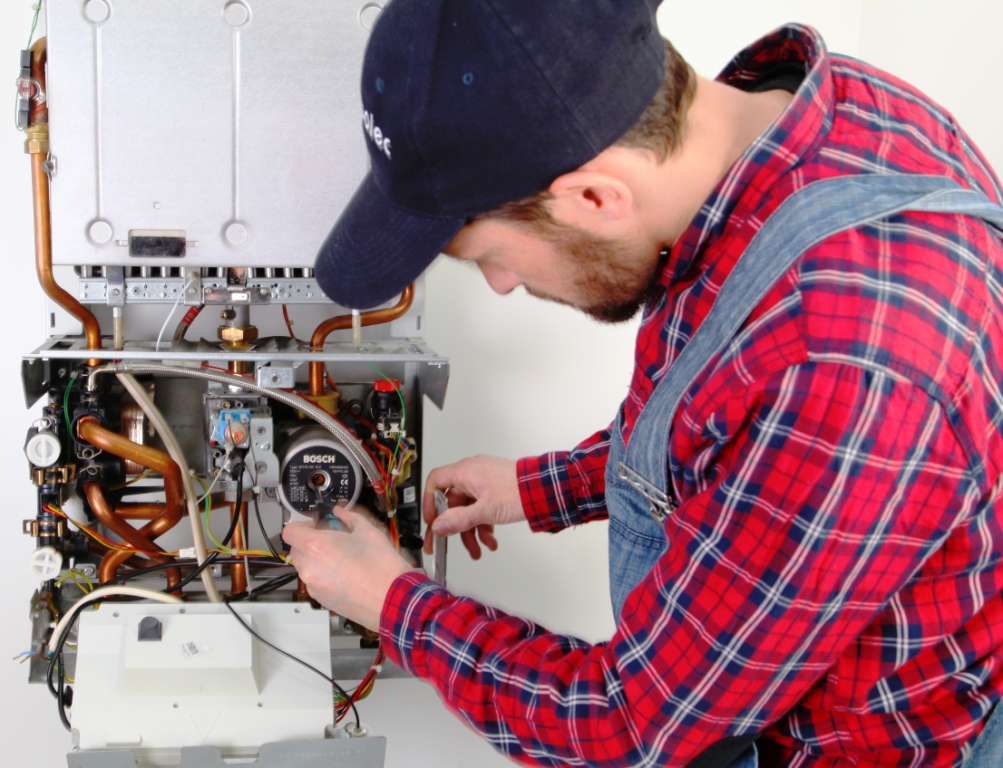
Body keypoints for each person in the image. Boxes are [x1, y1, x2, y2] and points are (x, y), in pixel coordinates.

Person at [282, 1, 1003, 765]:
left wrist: (395, 607)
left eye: (486, 253)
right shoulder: (810, 122)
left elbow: (632, 730)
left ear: (596, 198)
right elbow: (737, 434)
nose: (497, 286)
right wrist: (544, 487)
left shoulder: (848, 354)